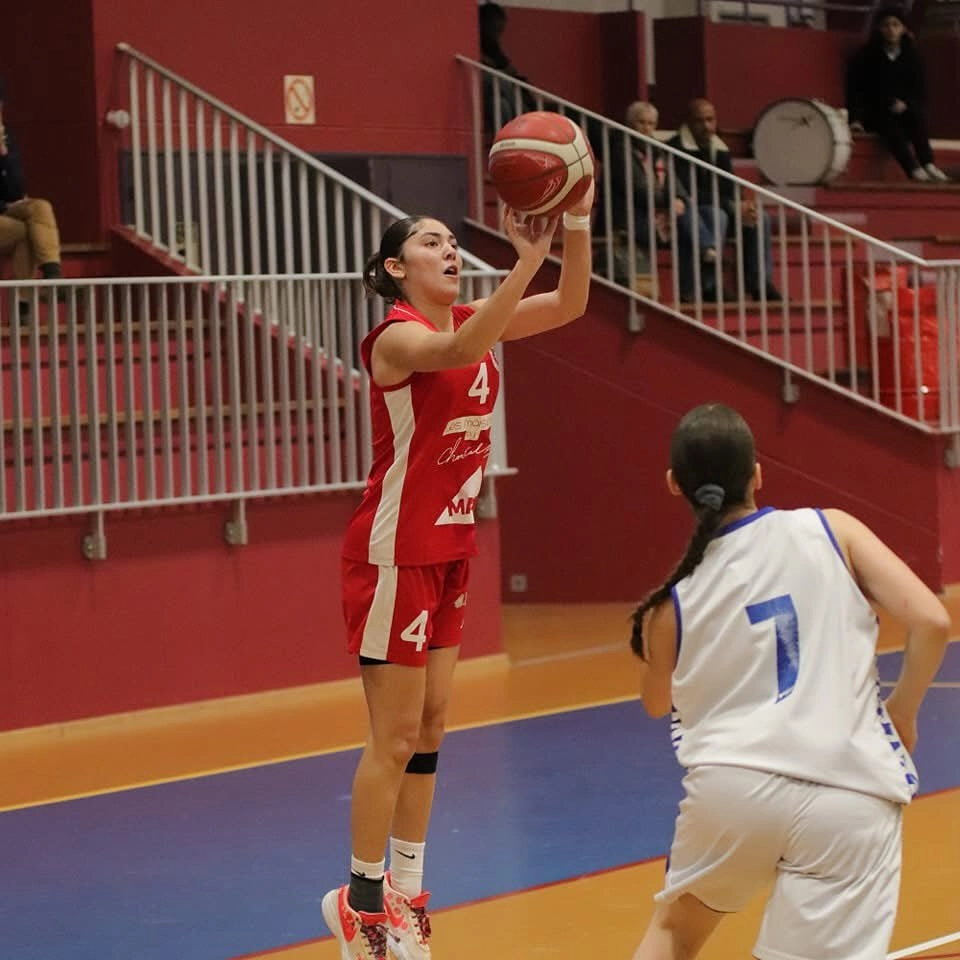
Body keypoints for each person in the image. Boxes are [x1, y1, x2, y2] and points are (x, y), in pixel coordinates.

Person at [321, 182, 595, 960]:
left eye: (449, 240)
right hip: (392, 553)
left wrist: (575, 217)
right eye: (431, 242)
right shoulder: (396, 338)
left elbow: (571, 303)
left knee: (435, 721)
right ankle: (361, 902)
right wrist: (525, 262)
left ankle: (406, 889)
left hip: (449, 550)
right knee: (395, 732)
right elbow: (460, 352)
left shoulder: (475, 319)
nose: (448, 250)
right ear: (395, 267)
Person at [628, 402, 950, 960]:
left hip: (732, 791)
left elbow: (656, 704)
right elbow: (933, 621)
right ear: (757, 472)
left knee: (674, 933)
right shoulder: (831, 529)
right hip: (848, 788)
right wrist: (903, 709)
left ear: (673, 485)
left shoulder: (671, 603)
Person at [667, 100, 780, 303]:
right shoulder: (675, 148)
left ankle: (760, 284)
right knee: (715, 215)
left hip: (723, 206)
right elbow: (688, 191)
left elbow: (729, 185)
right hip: (693, 211)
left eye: (710, 120)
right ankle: (710, 286)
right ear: (689, 123)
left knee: (760, 218)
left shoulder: (720, 148)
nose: (706, 126)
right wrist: (731, 205)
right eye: (700, 121)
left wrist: (743, 205)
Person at [606, 102, 718, 291]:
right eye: (641, 122)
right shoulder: (621, 149)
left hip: (660, 211)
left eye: (651, 124)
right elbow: (638, 191)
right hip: (633, 216)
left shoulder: (657, 150)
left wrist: (680, 200)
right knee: (685, 224)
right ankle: (706, 249)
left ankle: (692, 288)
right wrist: (670, 201)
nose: (646, 128)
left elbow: (677, 186)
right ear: (630, 123)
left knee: (690, 215)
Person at [846, 5, 949, 182]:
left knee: (917, 118)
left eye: (895, 25)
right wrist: (856, 118)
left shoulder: (913, 56)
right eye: (886, 25)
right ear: (879, 28)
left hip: (903, 107)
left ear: (903, 29)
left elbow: (919, 89)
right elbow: (856, 90)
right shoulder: (866, 56)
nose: (891, 30)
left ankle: (928, 163)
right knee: (890, 128)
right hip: (876, 110)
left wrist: (907, 103)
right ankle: (912, 169)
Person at [0, 79, 64, 305]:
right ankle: (24, 306)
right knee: (23, 232)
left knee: (40, 207)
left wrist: (4, 156)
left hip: (6, 210)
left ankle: (52, 274)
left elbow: (17, 189)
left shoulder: (6, 136)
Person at [479, 1, 537, 131]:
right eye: (496, 29)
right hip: (480, 94)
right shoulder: (473, 43)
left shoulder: (494, 49)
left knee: (500, 104)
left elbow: (510, 69)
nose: (498, 33)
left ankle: (514, 137)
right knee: (503, 81)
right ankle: (528, 122)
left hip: (495, 97)